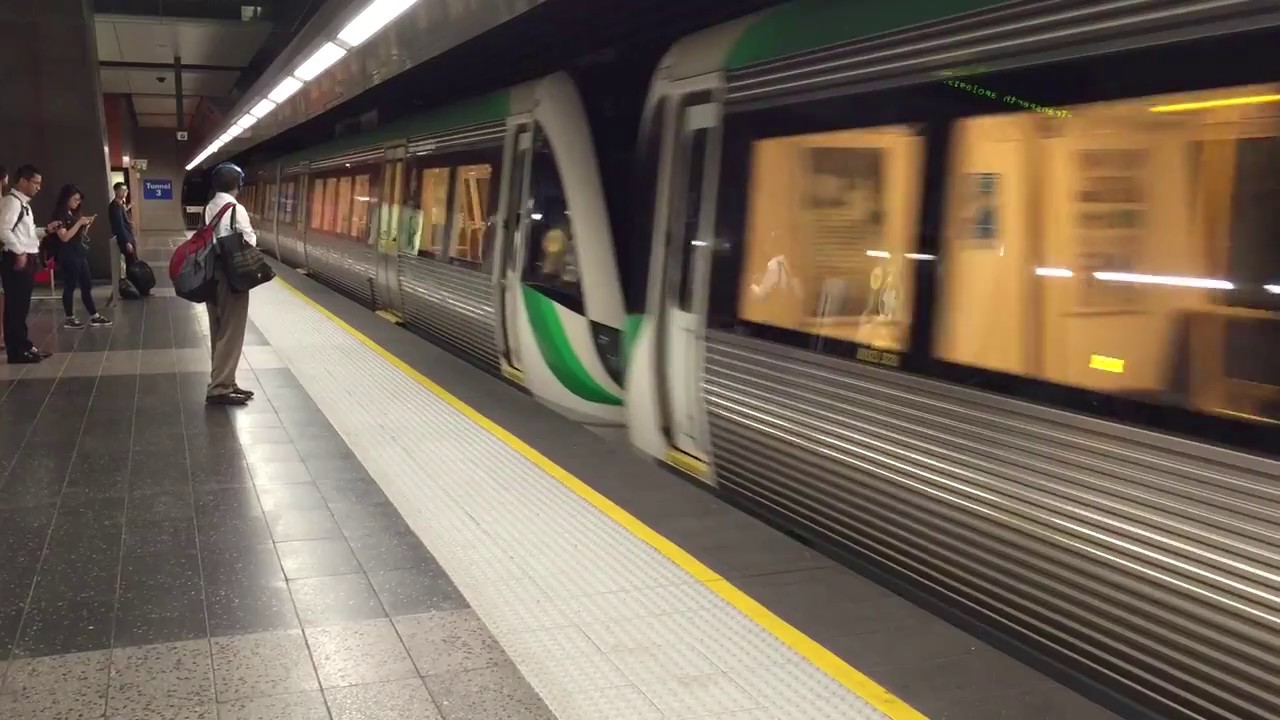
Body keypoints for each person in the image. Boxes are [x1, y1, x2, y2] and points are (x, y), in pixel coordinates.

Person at [203, 162, 256, 405]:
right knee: (231, 332)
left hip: (211, 274)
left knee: (218, 329)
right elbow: (248, 241)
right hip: (232, 277)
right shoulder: (236, 208)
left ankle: (226, 380)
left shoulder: (210, 206)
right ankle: (220, 387)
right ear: (238, 184)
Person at [0, 165, 61, 364]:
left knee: (19, 307)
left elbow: (27, 233)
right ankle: (18, 351)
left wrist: (45, 231)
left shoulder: (23, 204)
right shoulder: (12, 202)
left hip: (26, 258)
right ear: (23, 181)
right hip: (18, 260)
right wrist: (18, 251)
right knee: (17, 307)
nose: (38, 187)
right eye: (35, 183)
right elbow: (3, 230)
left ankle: (22, 346)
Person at [51, 185, 111, 329]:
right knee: (70, 286)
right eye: (75, 199)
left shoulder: (72, 213)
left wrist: (85, 225)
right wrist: (79, 223)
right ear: (67, 198)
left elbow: (75, 233)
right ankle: (69, 317)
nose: (77, 202)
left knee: (86, 284)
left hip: (78, 253)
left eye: (79, 200)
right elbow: (64, 237)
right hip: (68, 255)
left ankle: (94, 315)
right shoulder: (59, 215)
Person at [109, 181, 136, 262]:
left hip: (129, 235)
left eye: (126, 190)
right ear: (116, 191)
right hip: (125, 239)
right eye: (123, 190)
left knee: (132, 260)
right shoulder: (115, 206)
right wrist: (127, 241)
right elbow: (119, 225)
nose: (125, 192)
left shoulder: (121, 204)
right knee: (131, 261)